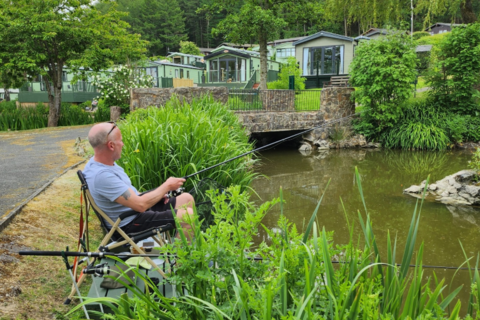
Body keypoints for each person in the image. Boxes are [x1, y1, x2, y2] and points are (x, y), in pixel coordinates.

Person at [83, 121, 194, 237]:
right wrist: (167, 186)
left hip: (134, 211)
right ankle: (179, 254)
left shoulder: (104, 164)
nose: (123, 144)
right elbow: (140, 205)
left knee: (187, 198)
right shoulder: (102, 176)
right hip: (128, 224)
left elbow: (133, 195)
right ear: (111, 145)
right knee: (188, 217)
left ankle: (180, 247)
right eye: (120, 140)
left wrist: (158, 195)